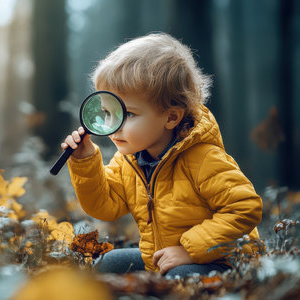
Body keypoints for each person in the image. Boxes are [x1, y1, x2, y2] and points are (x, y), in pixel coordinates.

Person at [61, 33, 263, 278]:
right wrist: (85, 160)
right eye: (108, 112)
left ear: (171, 117)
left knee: (176, 277)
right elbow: (105, 206)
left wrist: (189, 250)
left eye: (130, 114)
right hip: (162, 257)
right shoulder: (129, 160)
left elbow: (245, 207)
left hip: (224, 260)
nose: (114, 125)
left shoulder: (202, 159)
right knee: (107, 264)